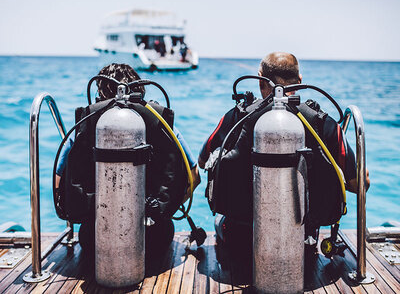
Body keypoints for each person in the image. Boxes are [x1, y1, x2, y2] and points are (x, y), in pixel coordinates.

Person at [199, 52, 370, 257]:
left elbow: (202, 161)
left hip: (241, 243)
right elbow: (358, 185)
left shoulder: (237, 117)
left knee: (221, 221)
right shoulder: (324, 124)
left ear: (261, 81)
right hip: (301, 246)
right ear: (299, 81)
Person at [56, 63, 200, 257]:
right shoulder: (161, 122)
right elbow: (194, 176)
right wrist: (164, 208)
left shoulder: (86, 124)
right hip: (155, 239)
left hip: (95, 240)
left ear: (99, 94)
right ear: (140, 91)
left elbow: (60, 184)